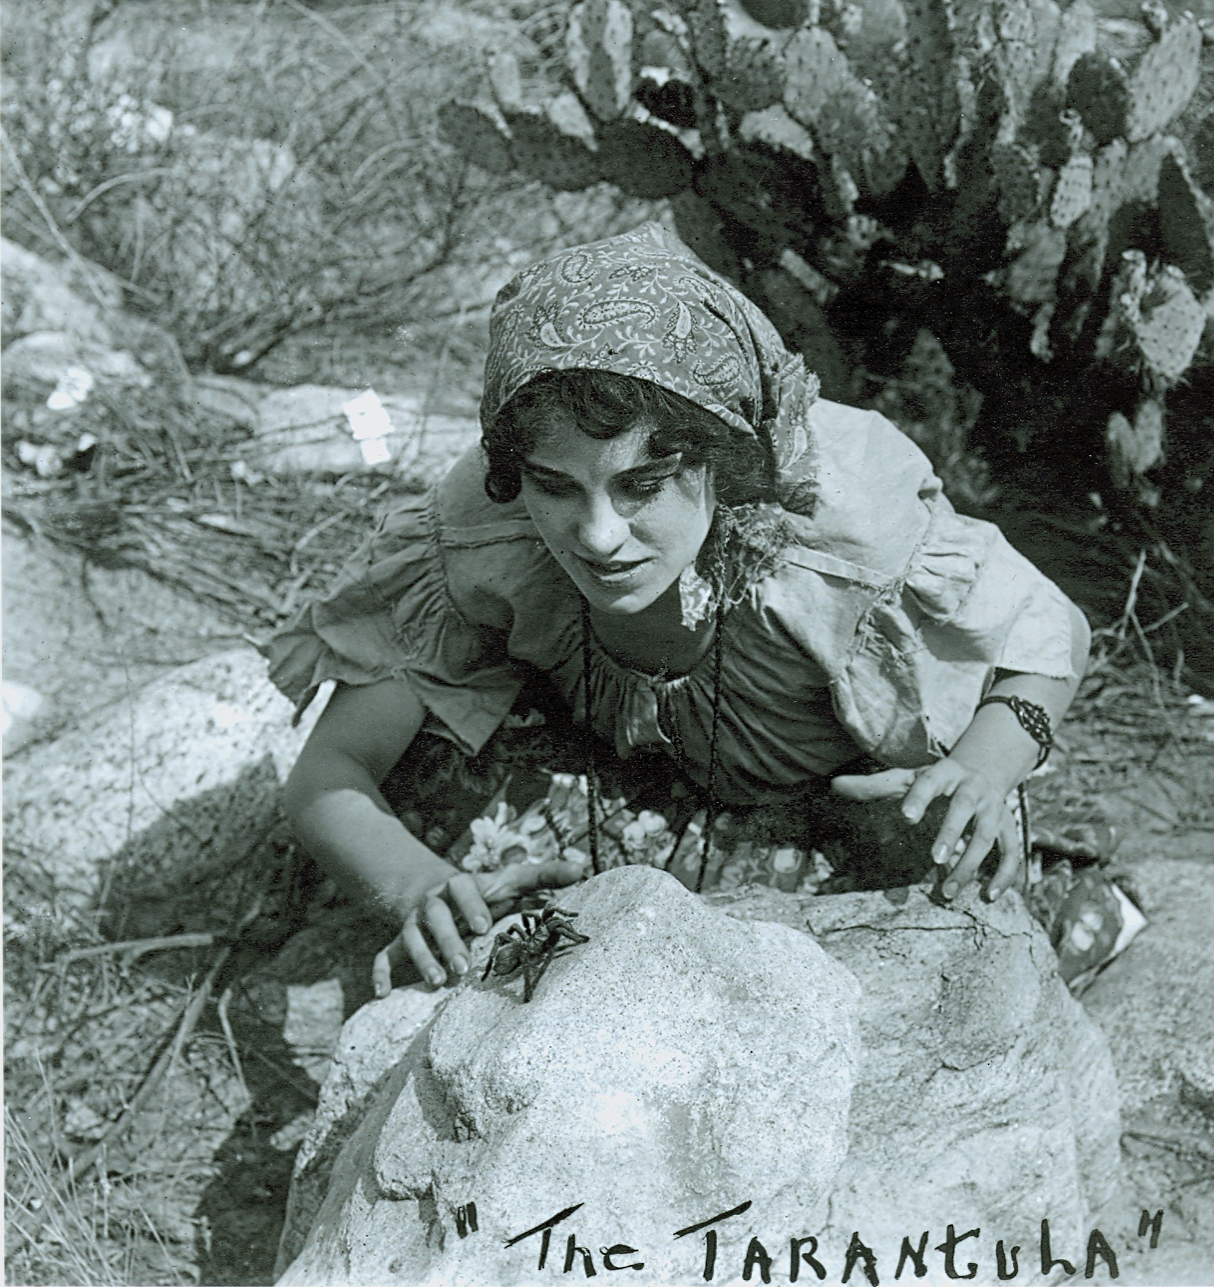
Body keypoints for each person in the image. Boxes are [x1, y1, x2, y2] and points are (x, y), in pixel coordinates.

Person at [268, 224, 1089, 998]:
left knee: (936, 894)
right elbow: (330, 774)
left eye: (642, 485)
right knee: (436, 800)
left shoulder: (839, 527)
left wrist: (984, 766)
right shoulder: (487, 524)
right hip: (611, 779)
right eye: (555, 486)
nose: (597, 536)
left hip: (820, 805)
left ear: (726, 461)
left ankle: (1074, 908)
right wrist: (420, 887)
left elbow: (1046, 637)